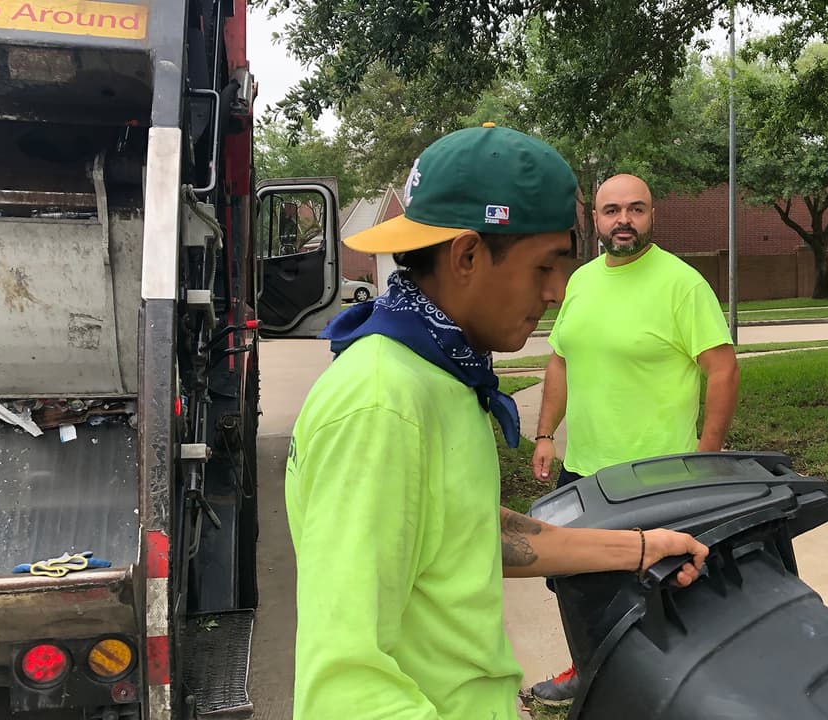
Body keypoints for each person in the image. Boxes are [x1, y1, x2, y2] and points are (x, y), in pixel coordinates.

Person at [284, 125, 709, 720]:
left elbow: (465, 535)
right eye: (545, 266)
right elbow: (345, 693)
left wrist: (640, 548)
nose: (559, 291)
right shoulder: (381, 405)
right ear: (465, 256)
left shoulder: (436, 369)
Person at [528, 173, 740, 705]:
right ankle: (585, 670)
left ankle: (670, 687)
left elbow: (722, 369)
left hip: (657, 475)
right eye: (612, 210)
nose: (624, 220)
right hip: (584, 469)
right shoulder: (580, 282)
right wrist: (545, 434)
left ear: (652, 216)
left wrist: (707, 457)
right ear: (594, 219)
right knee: (574, 579)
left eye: (636, 209)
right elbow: (561, 360)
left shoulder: (681, 283)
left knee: (660, 583)